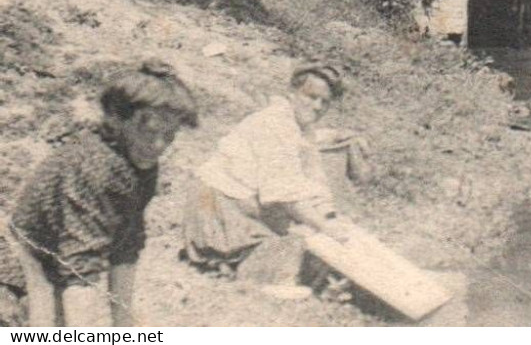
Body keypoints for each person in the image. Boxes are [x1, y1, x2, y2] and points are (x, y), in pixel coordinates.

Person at [0, 61, 199, 327]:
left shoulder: (139, 161)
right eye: (149, 131)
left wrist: (124, 327)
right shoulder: (92, 166)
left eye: (169, 135)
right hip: (26, 260)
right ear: (117, 118)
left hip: (67, 260)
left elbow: (127, 243)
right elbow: (81, 264)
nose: (159, 145)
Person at [182, 63, 360, 298]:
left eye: (324, 102)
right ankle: (253, 271)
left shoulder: (301, 128)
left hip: (246, 204)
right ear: (292, 93)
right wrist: (325, 227)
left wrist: (329, 217)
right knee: (302, 237)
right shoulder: (274, 124)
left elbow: (313, 181)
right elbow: (285, 196)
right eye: (311, 97)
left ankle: (282, 269)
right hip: (219, 207)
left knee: (316, 232)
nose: (317, 106)